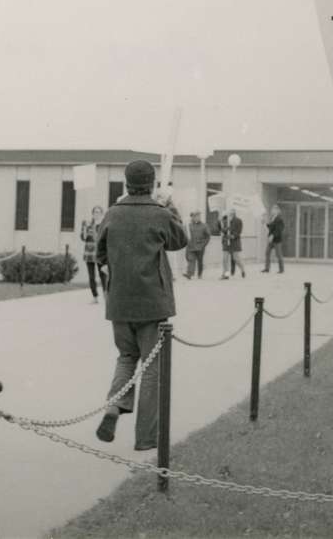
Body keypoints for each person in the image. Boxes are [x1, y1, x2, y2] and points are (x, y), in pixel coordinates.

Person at [94, 159, 188, 451]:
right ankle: (146, 438)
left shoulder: (112, 213)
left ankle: (115, 405)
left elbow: (99, 254)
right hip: (153, 303)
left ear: (126, 183)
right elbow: (180, 240)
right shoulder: (159, 213)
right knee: (151, 368)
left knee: (125, 356)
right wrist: (170, 206)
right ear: (152, 184)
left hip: (120, 302)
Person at [80, 205, 108, 303]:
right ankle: (95, 296)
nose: (97, 214)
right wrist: (84, 229)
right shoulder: (88, 225)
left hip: (100, 254)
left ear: (102, 214)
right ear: (92, 214)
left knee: (103, 275)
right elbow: (83, 238)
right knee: (91, 276)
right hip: (89, 253)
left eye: (99, 212)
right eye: (95, 212)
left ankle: (106, 296)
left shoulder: (104, 225)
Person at [183, 210, 211, 279]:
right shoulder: (189, 225)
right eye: (194, 216)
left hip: (200, 247)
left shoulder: (204, 226)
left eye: (197, 216)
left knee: (200, 261)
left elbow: (208, 237)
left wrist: (203, 245)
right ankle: (189, 274)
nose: (196, 218)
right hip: (191, 246)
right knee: (191, 259)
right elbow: (186, 235)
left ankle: (199, 274)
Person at [220, 208, 245, 279]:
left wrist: (233, 235)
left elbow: (239, 231)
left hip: (234, 242)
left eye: (231, 212)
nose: (230, 213)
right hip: (226, 241)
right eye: (229, 212)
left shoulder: (238, 221)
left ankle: (242, 269)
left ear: (234, 213)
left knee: (236, 258)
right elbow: (222, 230)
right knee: (225, 259)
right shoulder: (225, 220)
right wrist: (224, 228)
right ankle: (226, 274)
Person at [261, 203, 285, 273]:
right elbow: (271, 227)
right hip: (270, 240)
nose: (272, 210)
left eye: (274, 209)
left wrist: (273, 235)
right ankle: (267, 268)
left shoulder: (279, 219)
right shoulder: (273, 218)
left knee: (279, 255)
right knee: (267, 253)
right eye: (272, 209)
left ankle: (281, 269)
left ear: (277, 211)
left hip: (277, 240)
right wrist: (265, 223)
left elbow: (279, 229)